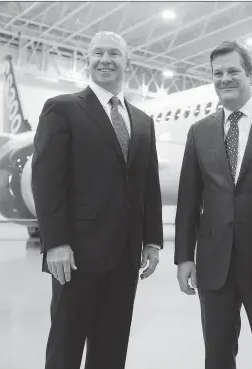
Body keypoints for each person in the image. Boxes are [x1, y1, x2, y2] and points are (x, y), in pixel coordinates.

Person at [31, 31, 163, 369]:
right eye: (98, 53)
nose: (106, 60)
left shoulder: (143, 122)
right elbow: (48, 180)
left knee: (112, 343)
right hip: (76, 252)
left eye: (114, 54)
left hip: (126, 253)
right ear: (88, 61)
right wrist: (55, 242)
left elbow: (148, 185)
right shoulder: (62, 109)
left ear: (127, 62)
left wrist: (153, 241)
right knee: (66, 342)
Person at [174, 40, 252, 369]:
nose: (225, 78)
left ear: (251, 74)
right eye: (218, 73)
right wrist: (185, 257)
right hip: (215, 267)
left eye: (233, 71)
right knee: (216, 356)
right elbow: (189, 199)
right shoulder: (199, 132)